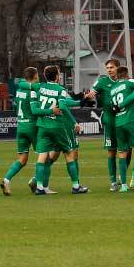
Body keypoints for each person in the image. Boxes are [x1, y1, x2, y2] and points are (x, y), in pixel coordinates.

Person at [30, 65, 88, 195]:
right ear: (57, 76)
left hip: (43, 127)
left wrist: (80, 100)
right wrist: (74, 122)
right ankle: (75, 186)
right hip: (57, 127)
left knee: (42, 156)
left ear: (45, 76)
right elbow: (62, 106)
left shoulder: (39, 87)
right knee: (69, 154)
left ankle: (39, 187)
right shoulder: (60, 89)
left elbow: (26, 85)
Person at [0, 67, 40, 196]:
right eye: (37, 74)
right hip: (32, 126)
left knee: (22, 159)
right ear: (34, 76)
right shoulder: (34, 90)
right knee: (45, 155)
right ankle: (35, 180)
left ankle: (6, 180)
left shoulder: (19, 90)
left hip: (21, 126)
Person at [110, 66, 134, 192]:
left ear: (117, 76)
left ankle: (123, 185)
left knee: (122, 154)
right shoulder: (130, 82)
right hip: (130, 120)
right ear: (127, 75)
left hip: (118, 122)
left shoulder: (112, 89)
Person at [84, 58, 121, 192]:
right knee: (112, 151)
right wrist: (89, 96)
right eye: (108, 68)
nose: (109, 70)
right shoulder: (102, 81)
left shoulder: (124, 81)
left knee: (126, 151)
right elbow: (91, 94)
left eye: (112, 67)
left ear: (118, 68)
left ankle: (122, 178)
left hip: (124, 120)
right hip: (110, 121)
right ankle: (113, 181)